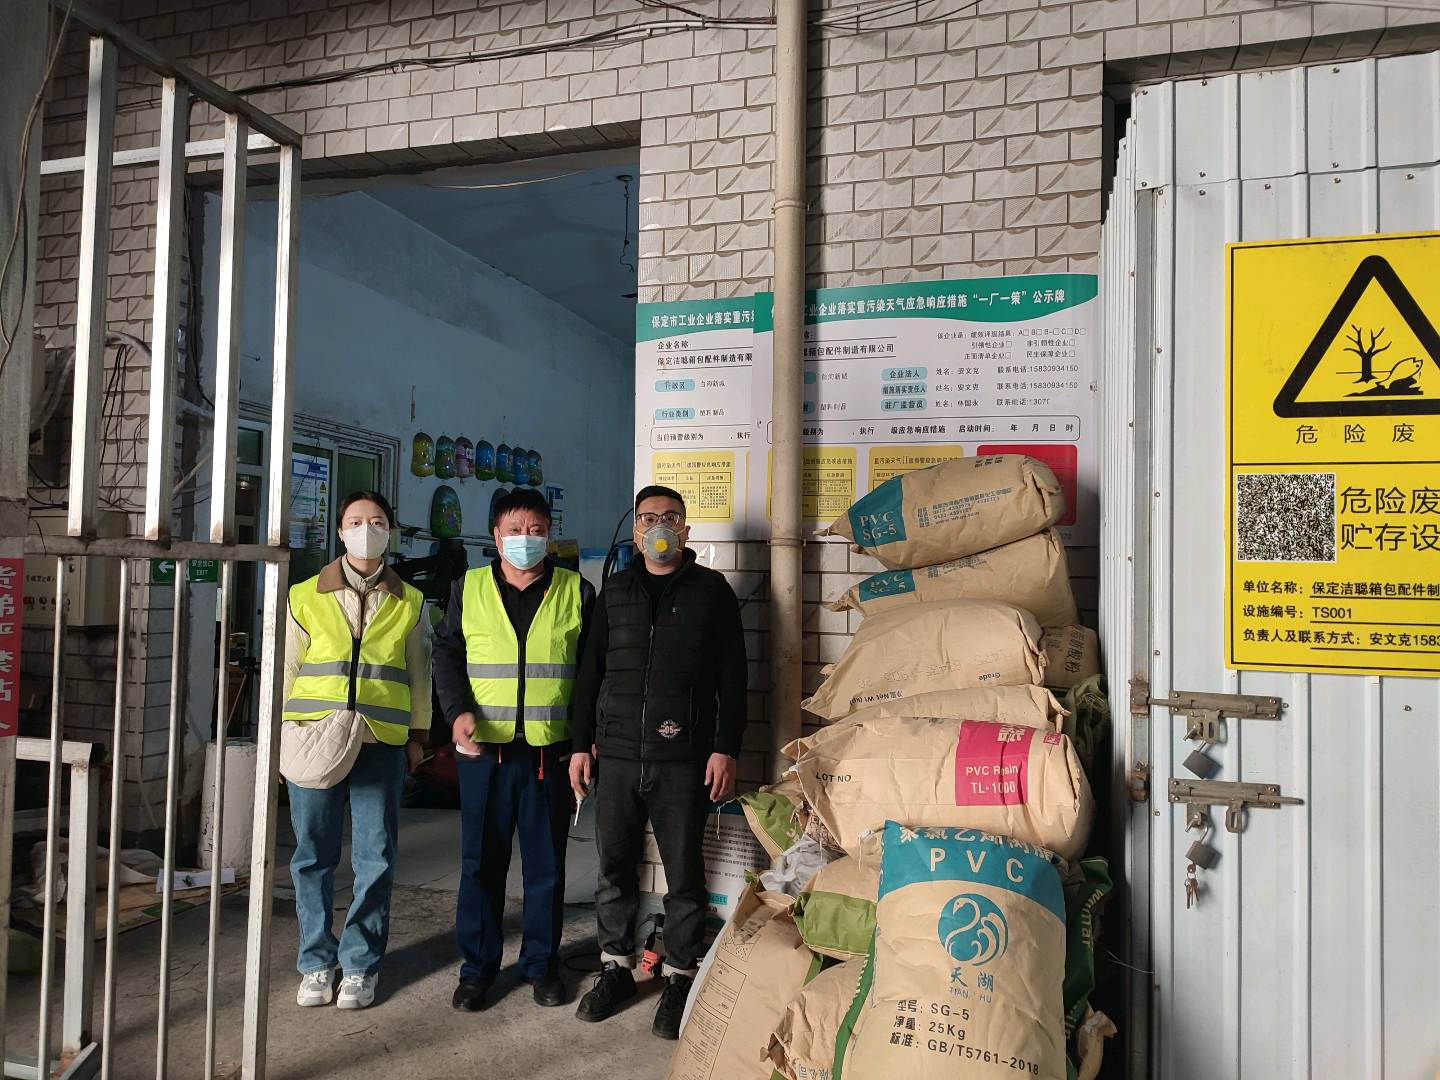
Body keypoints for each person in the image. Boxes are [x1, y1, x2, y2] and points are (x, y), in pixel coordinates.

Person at [569, 485, 748, 1039]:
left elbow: (733, 678)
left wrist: (725, 747)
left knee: (684, 874)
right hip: (618, 755)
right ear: (636, 530)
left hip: (684, 758)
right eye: (648, 518)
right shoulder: (615, 590)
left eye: (669, 517)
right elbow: (590, 672)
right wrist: (579, 743)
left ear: (686, 529)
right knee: (613, 869)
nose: (658, 526)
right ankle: (616, 968)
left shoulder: (711, 591)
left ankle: (679, 975)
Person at [433, 487, 595, 1011]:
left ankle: (541, 964)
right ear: (496, 537)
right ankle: (477, 969)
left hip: (549, 753)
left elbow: (591, 674)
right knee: (481, 863)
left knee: (546, 866)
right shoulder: (469, 587)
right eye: (515, 530)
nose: (526, 539)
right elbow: (447, 654)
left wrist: (583, 743)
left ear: (549, 535)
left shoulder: (576, 590)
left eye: (536, 530)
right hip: (486, 753)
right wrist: (456, 712)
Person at [281, 491, 432, 1010]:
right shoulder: (304, 595)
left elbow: (419, 673)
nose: (366, 529)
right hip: (312, 738)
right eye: (355, 521)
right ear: (340, 530)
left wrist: (417, 737)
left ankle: (361, 964)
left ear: (390, 529)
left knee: (376, 856)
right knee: (312, 856)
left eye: (377, 521)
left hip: (380, 740)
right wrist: (280, 739)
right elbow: (286, 671)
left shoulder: (411, 602)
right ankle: (315, 962)